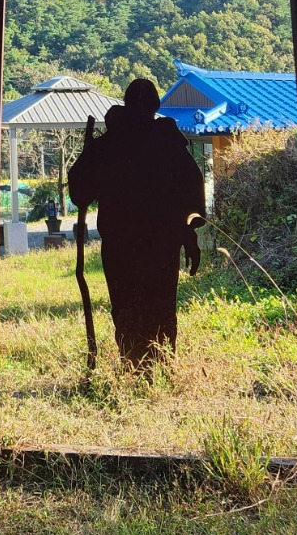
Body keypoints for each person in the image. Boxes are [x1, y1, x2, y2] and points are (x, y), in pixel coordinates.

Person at [67, 79, 205, 364]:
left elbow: (80, 194)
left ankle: (135, 363)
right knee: (159, 305)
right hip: (159, 243)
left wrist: (88, 155)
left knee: (129, 304)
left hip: (124, 244)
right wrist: (188, 236)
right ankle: (156, 365)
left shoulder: (109, 145)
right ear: (157, 105)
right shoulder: (168, 144)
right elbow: (192, 190)